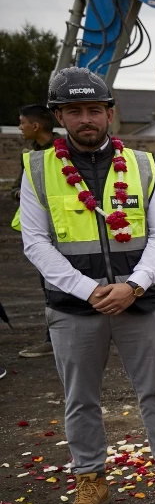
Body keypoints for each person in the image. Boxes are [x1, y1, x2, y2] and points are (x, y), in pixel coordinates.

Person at [19, 68, 155, 504]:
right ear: (59, 117)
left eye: (94, 109)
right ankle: (91, 478)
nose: (85, 119)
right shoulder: (37, 169)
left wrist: (133, 285)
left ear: (110, 113)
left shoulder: (142, 164)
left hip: (140, 298)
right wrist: (91, 290)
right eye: (74, 111)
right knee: (80, 397)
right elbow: (36, 243)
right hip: (74, 307)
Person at [12, 104, 59, 359]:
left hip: (66, 232)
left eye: (21, 122)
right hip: (42, 233)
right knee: (50, 285)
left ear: (35, 125)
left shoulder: (66, 150)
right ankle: (53, 338)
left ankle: (56, 339)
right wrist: (19, 193)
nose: (19, 127)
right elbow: (16, 187)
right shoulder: (30, 156)